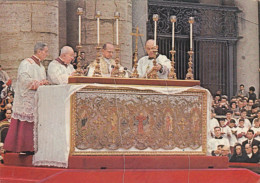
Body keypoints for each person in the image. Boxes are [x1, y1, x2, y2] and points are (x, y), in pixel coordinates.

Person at [4, 42, 49, 155]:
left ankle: (32, 148)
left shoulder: (41, 66)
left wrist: (43, 82)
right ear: (39, 51)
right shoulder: (26, 63)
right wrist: (38, 84)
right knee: (25, 121)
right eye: (45, 51)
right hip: (26, 99)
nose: (47, 54)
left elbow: (41, 80)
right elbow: (23, 79)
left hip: (37, 99)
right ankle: (23, 147)